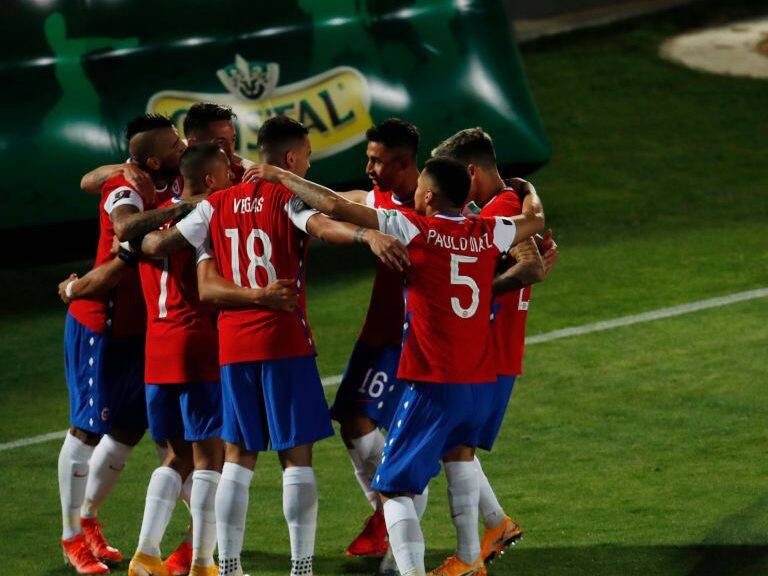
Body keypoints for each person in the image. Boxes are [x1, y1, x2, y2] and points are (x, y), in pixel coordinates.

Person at [136, 115, 408, 576]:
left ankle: (230, 565)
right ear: (289, 158)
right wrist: (366, 235)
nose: (307, 162)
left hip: (233, 350)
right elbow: (324, 227)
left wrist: (154, 226)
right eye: (305, 155)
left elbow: (157, 245)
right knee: (296, 458)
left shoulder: (213, 207)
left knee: (238, 458)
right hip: (284, 342)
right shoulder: (285, 196)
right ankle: (301, 566)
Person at [250, 155, 545, 576]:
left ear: (427, 196)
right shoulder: (488, 232)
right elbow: (534, 218)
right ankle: (472, 551)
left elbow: (336, 206)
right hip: (480, 383)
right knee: (459, 457)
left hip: (432, 385)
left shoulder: (415, 228)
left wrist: (280, 175)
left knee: (393, 488)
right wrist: (528, 190)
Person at [58, 113, 194, 574]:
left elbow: (90, 176)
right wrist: (185, 211)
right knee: (86, 429)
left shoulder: (167, 173)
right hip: (103, 323)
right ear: (153, 159)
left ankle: (89, 519)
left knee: (130, 427)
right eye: (174, 145)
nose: (183, 148)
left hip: (144, 327)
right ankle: (71, 537)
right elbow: (124, 227)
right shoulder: (128, 188)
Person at [430, 128, 559, 572]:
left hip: (488, 350)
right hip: (494, 348)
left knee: (456, 447)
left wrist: (478, 294)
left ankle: (469, 558)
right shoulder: (511, 204)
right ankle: (495, 525)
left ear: (470, 171)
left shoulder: (504, 209)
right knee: (452, 443)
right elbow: (536, 260)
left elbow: (532, 266)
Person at [323, 119, 422, 559]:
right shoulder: (377, 198)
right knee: (349, 419)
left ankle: (394, 512)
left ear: (404, 163)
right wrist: (268, 177)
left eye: (376, 160)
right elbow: (332, 202)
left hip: (410, 338)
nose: (368, 167)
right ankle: (388, 514)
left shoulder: (429, 205)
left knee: (367, 422)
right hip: (376, 333)